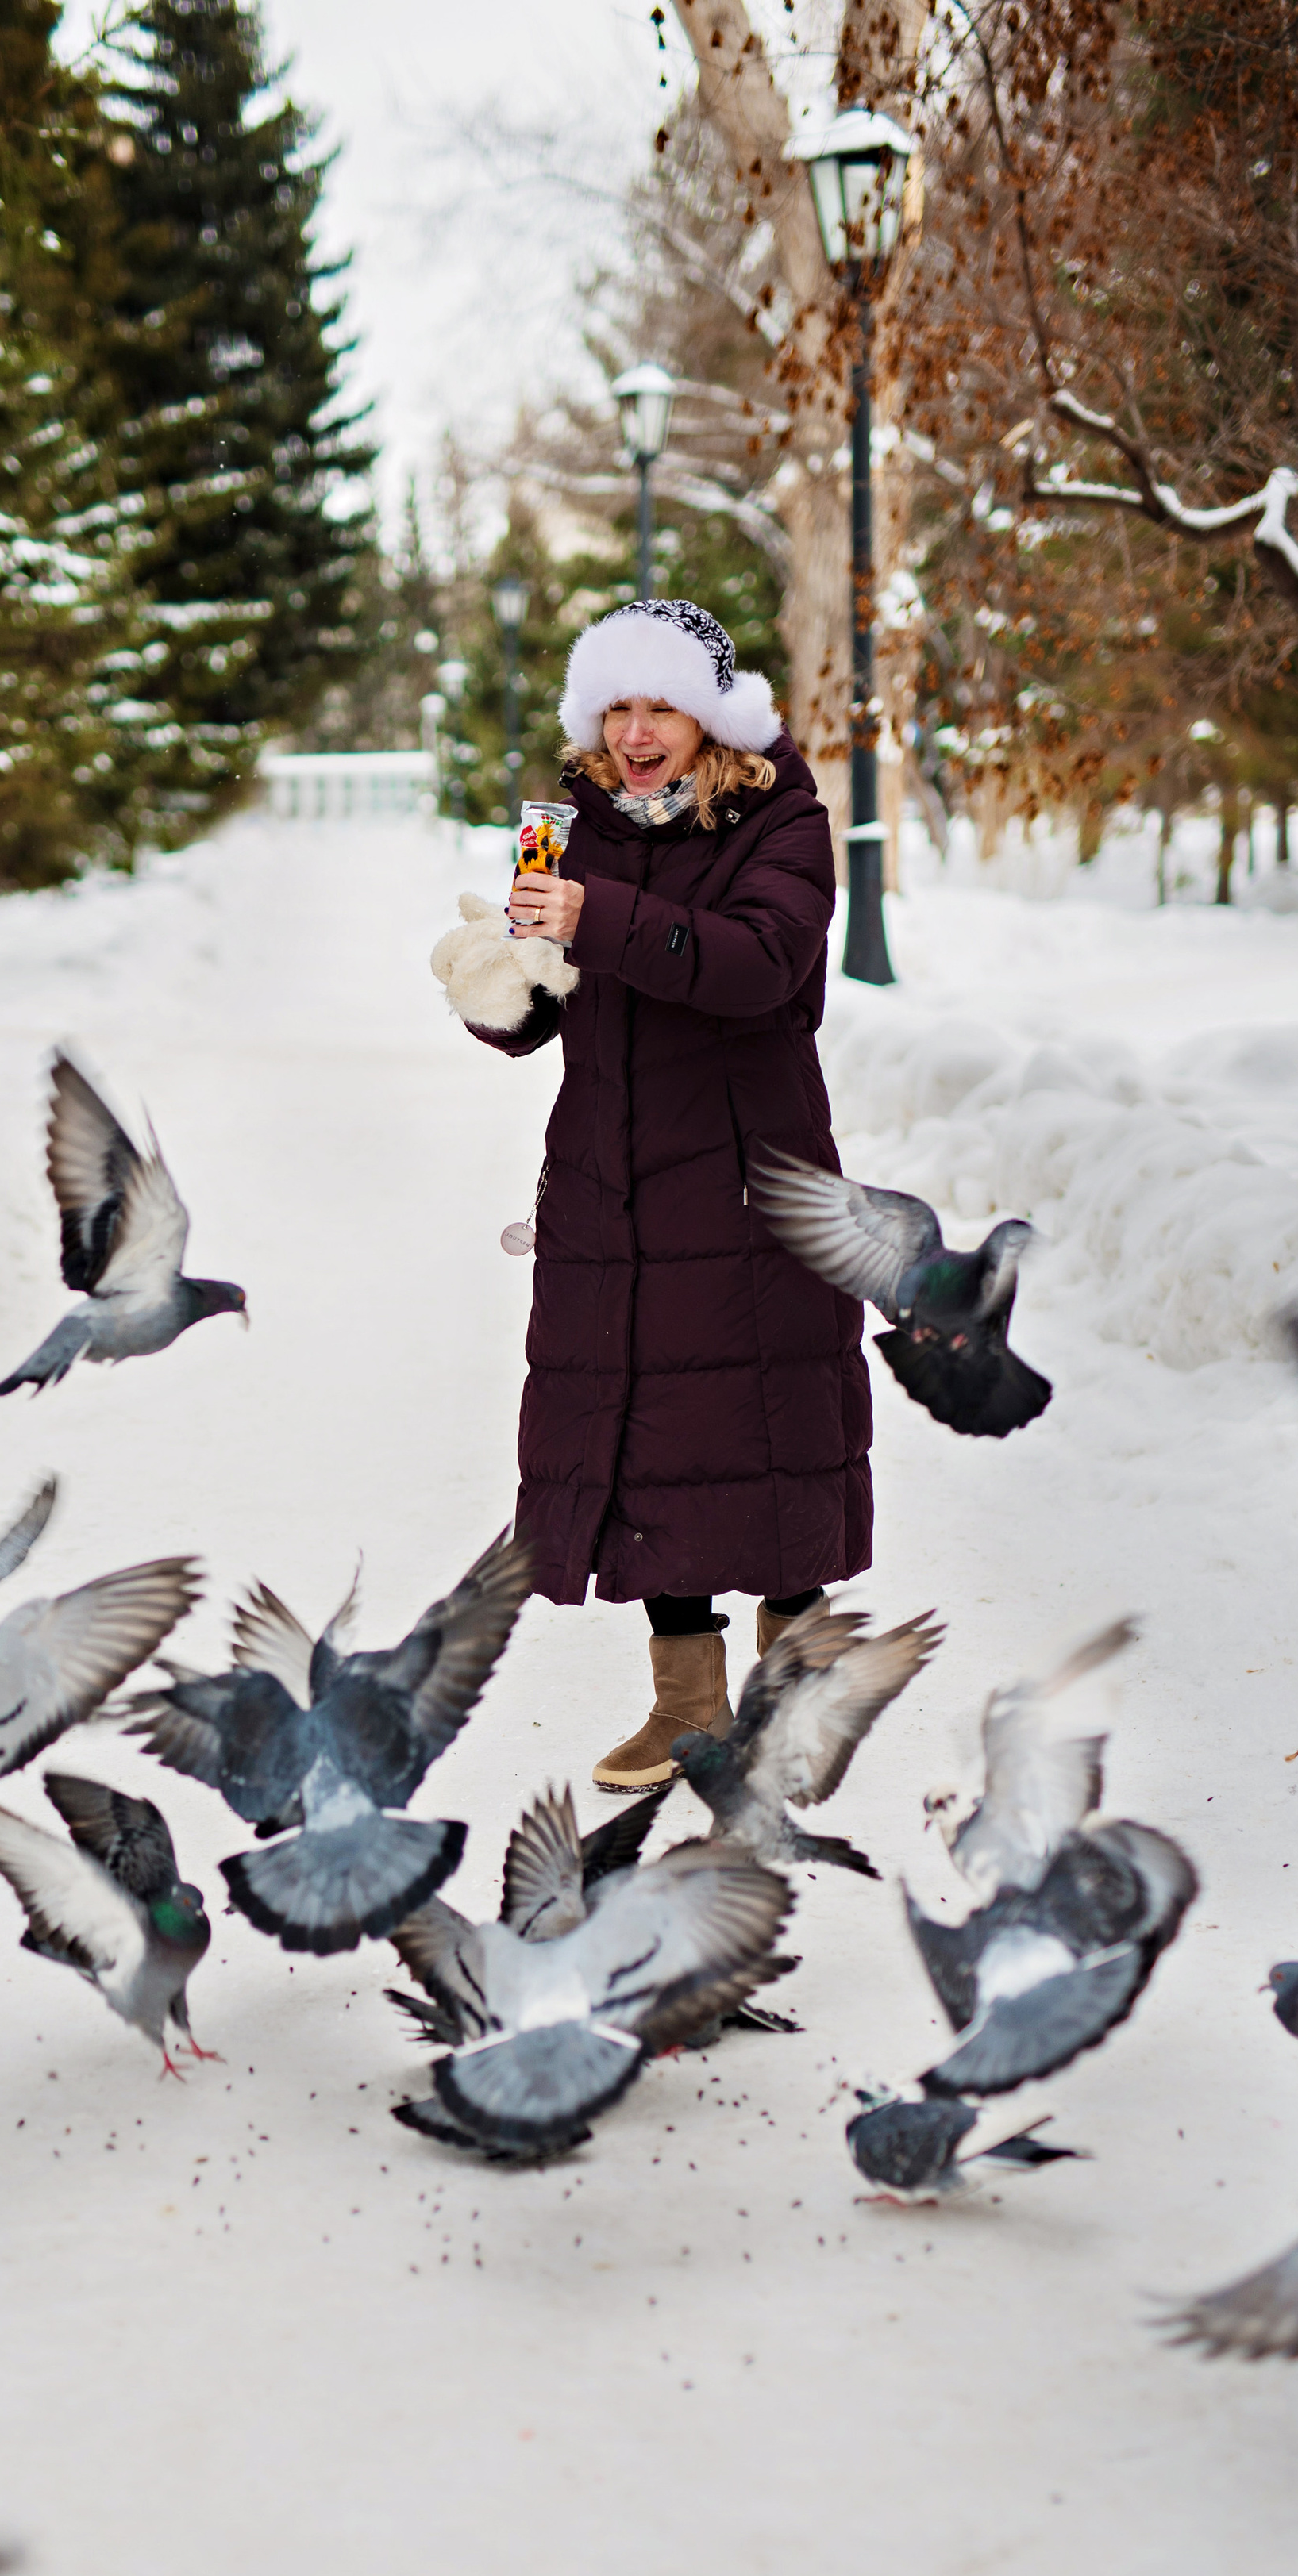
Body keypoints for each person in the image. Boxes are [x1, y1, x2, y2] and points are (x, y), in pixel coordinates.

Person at [437, 595, 872, 1792]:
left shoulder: (781, 816)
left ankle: (798, 1688)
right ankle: (688, 1705)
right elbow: (550, 1007)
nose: (636, 732)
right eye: (615, 708)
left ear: (711, 716)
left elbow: (765, 967)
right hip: (610, 1176)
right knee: (644, 1431)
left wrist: (601, 914)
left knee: (762, 1431)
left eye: (661, 706)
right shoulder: (568, 829)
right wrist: (502, 983)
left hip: (745, 1175)